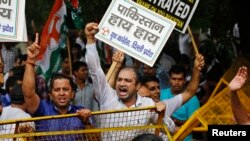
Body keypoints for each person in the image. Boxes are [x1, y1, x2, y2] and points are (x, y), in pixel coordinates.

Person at [85, 22, 204, 140]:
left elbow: (170, 129)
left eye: (127, 81)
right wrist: (90, 40)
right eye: (119, 80)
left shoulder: (148, 105)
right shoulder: (107, 98)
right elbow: (95, 70)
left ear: (137, 86)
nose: (122, 83)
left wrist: (161, 114)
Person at [22, 33, 95, 140]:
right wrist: (30, 61)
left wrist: (87, 122)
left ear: (73, 94)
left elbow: (96, 139)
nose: (61, 93)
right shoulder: (43, 109)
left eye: (66, 89)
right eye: (57, 90)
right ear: (50, 94)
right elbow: (28, 94)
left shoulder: (82, 113)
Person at [160, 65, 200, 141]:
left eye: (180, 79)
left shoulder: (193, 99)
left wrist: (175, 121)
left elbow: (195, 123)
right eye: (174, 79)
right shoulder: (161, 94)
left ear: (185, 80)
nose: (177, 82)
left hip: (184, 138)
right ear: (169, 79)